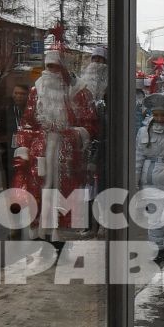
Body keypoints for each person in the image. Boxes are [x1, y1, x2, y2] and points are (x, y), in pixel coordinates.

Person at [12, 42, 99, 241]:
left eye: (56, 66)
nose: (51, 71)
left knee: (65, 192)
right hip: (40, 151)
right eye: (48, 66)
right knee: (39, 190)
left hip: (67, 153)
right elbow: (27, 122)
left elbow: (91, 124)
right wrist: (24, 148)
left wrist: (75, 135)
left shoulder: (79, 91)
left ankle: (62, 238)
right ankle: (41, 237)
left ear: (64, 67)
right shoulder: (37, 91)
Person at [136, 91, 164, 266]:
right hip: (149, 179)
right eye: (156, 114)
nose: (160, 118)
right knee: (153, 216)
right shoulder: (143, 131)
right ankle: (156, 249)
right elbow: (138, 156)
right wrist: (136, 178)